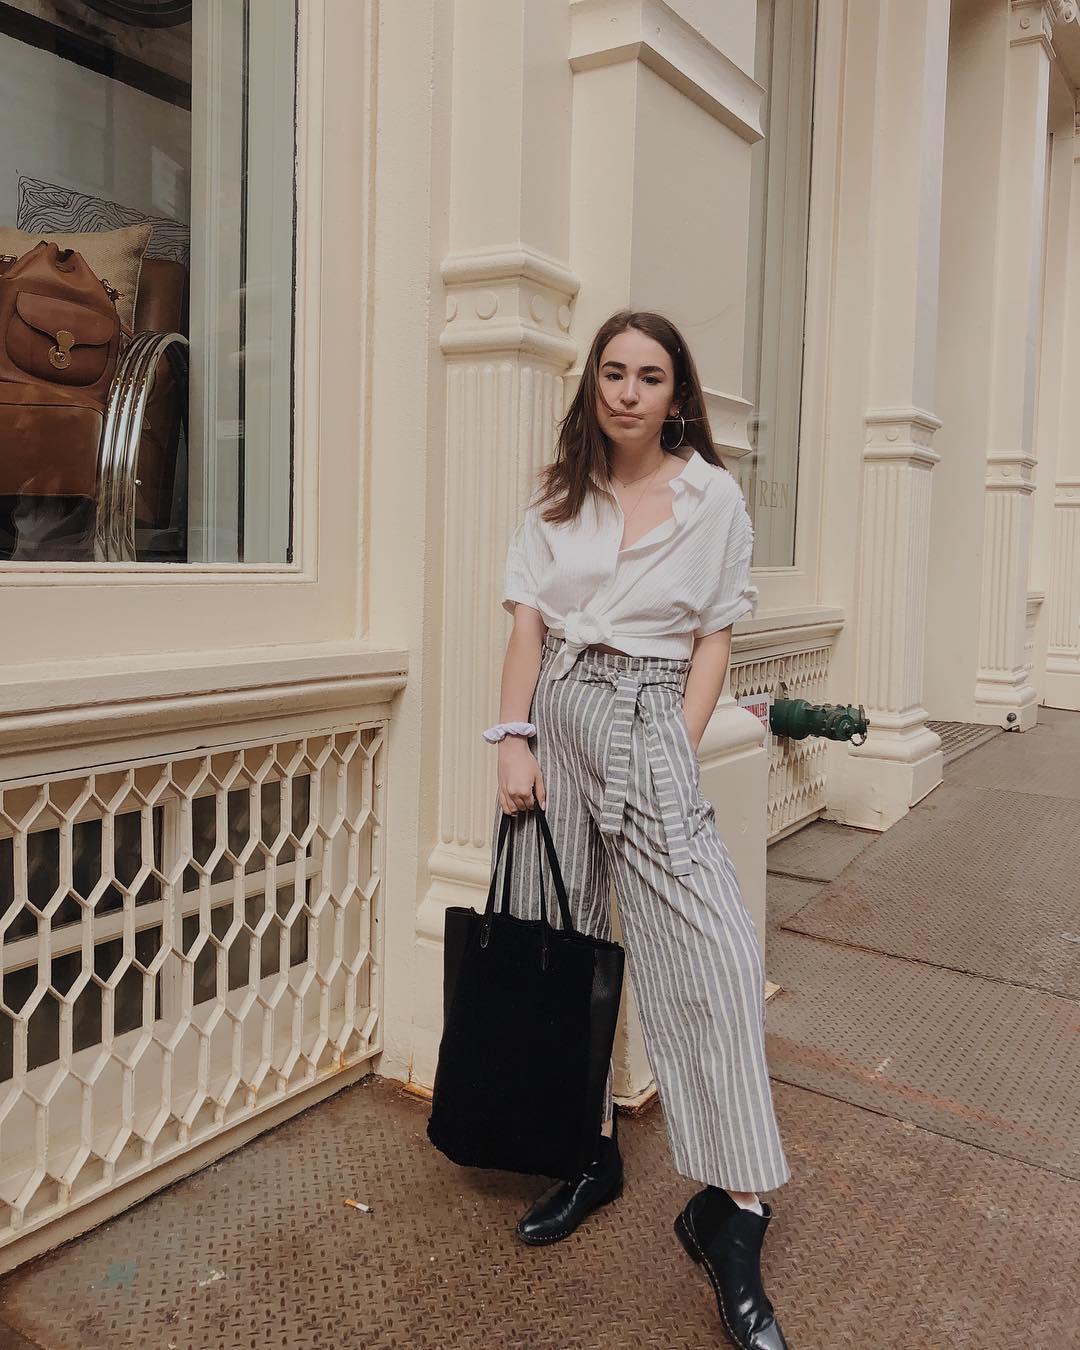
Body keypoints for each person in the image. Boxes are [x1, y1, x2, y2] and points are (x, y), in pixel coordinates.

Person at [483, 310, 791, 1350]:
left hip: (653, 716)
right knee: (564, 946)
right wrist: (512, 740)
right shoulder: (556, 493)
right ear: (593, 387)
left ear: (675, 394)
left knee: (712, 949)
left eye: (648, 376)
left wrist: (678, 740)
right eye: (612, 373)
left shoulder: (712, 498)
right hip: (558, 713)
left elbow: (716, 635)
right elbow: (527, 618)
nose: (626, 391)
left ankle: (734, 1209)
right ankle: (590, 1151)